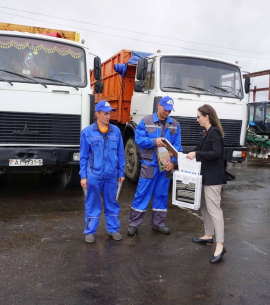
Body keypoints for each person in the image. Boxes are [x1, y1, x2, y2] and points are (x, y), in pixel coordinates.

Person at [127, 96, 182, 236]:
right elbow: (139, 139)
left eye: (170, 110)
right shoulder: (146, 121)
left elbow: (177, 146)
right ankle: (133, 224)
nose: (167, 113)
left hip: (165, 167)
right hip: (149, 165)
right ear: (159, 106)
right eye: (165, 109)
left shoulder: (175, 124)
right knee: (142, 193)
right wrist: (154, 141)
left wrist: (173, 163)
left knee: (161, 195)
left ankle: (158, 224)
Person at [79, 100, 126, 244]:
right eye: (105, 113)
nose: (108, 116)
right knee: (93, 203)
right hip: (94, 175)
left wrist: (121, 172)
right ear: (97, 114)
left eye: (109, 113)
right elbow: (84, 156)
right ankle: (90, 231)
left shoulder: (116, 131)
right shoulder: (87, 132)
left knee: (112, 202)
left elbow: (121, 154)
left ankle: (113, 229)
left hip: (111, 176)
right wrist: (83, 176)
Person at [186, 104, 227, 264]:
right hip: (204, 176)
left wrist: (196, 153)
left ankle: (220, 245)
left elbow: (217, 154)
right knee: (204, 207)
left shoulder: (214, 132)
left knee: (215, 210)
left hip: (213, 178)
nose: (197, 120)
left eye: (199, 117)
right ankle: (208, 235)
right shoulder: (207, 133)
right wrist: (181, 153)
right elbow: (197, 150)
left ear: (207, 116)